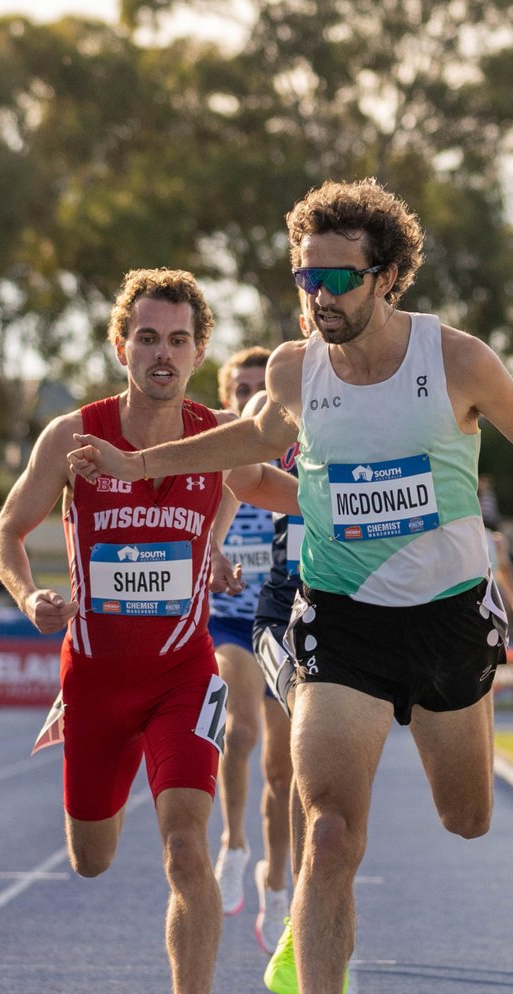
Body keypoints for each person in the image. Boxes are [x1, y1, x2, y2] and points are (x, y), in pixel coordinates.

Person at [68, 179, 513, 994]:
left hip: (449, 619)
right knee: (331, 828)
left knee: (468, 817)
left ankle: (465, 714)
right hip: (337, 621)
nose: (318, 294)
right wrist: (139, 465)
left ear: (386, 276)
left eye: (337, 276)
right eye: (305, 277)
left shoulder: (454, 359)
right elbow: (252, 437)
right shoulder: (298, 370)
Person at [0, 268, 298, 994]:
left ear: (200, 351)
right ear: (121, 345)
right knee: (91, 860)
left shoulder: (221, 435)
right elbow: (7, 531)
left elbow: (284, 492)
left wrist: (372, 514)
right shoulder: (71, 436)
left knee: (183, 846)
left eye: (180, 340)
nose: (164, 355)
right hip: (92, 676)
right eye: (149, 338)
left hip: (180, 674)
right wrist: (29, 597)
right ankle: (89, 744)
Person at [208, 346, 293, 953]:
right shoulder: (214, 449)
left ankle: (277, 880)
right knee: (238, 732)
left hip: (285, 622)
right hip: (229, 624)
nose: (247, 395)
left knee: (284, 769)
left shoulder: (289, 448)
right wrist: (212, 550)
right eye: (239, 388)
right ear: (226, 395)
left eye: (257, 387)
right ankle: (234, 844)